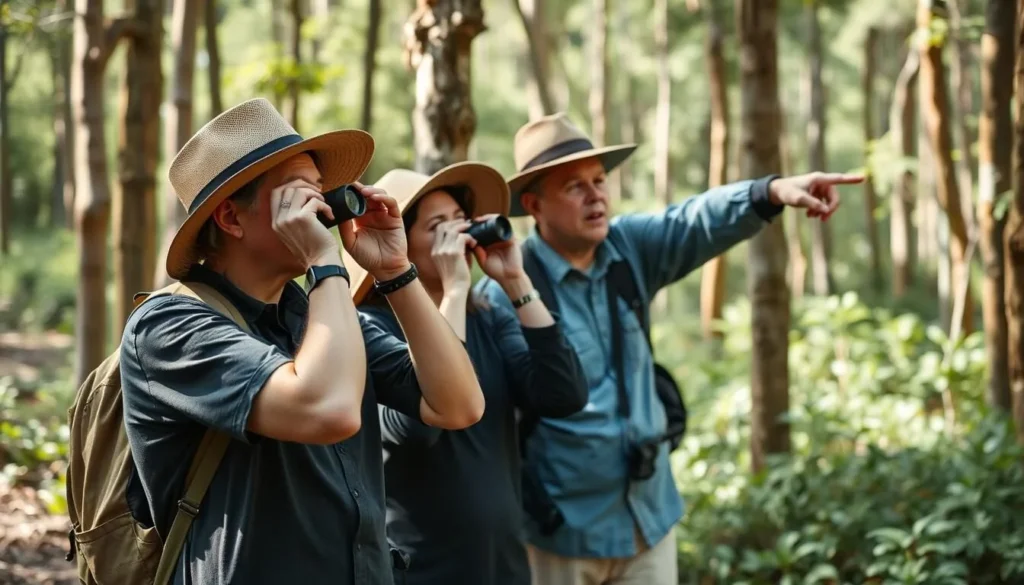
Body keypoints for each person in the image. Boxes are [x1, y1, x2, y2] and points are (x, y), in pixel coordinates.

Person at [475, 112, 863, 585]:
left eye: (599, 180)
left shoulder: (628, 249)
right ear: (534, 205)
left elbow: (694, 220)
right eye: (574, 186)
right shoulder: (506, 291)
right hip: (561, 533)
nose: (596, 195)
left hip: (650, 517)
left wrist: (773, 191)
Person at [119, 98, 485, 585]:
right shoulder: (169, 327)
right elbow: (328, 410)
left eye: (322, 193)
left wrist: (395, 271)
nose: (324, 210)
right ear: (231, 218)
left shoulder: (313, 314)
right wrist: (324, 261)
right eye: (301, 195)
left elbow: (459, 405)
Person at [348, 163, 589, 585]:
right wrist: (454, 291)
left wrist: (515, 282)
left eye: (461, 222)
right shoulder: (370, 327)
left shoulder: (489, 316)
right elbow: (416, 431)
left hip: (504, 563)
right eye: (439, 227)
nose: (457, 238)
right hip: (421, 569)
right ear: (397, 240)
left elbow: (562, 395)